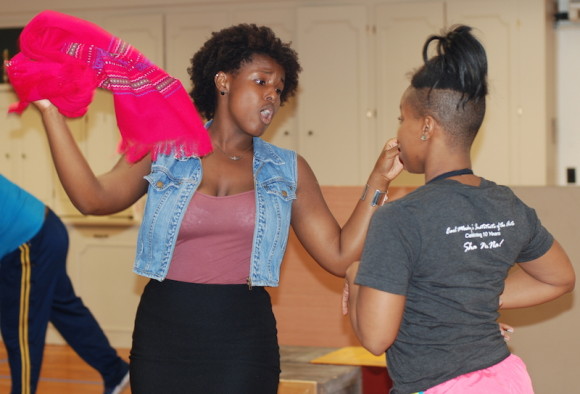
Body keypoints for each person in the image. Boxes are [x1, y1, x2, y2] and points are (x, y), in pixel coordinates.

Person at [29, 22, 403, 393]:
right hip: (163, 338)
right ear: (223, 81)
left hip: (243, 342)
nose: (272, 95)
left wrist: (378, 181)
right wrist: (50, 112)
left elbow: (339, 255)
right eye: (261, 81)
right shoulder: (165, 148)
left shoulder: (288, 170)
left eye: (278, 88)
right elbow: (93, 198)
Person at [343, 25, 575, 394]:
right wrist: (469, 298)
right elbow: (560, 278)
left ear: (427, 127)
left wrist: (357, 275)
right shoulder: (507, 203)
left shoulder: (399, 218)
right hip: (507, 380)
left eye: (402, 119)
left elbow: (374, 338)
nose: (399, 131)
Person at [0, 174, 130, 394]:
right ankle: (114, 370)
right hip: (45, 230)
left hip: (28, 243)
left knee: (21, 332)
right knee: (65, 311)